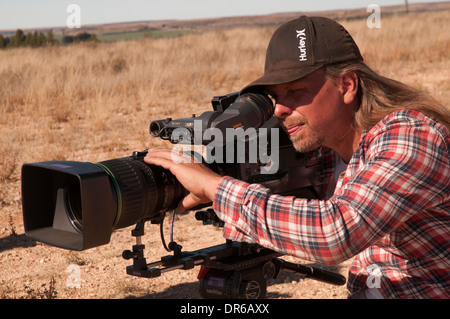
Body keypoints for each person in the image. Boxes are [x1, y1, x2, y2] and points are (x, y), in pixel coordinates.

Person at [145, 16, 449, 299]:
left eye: (296, 91)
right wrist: (208, 179)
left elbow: (335, 233)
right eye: (276, 97)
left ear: (347, 85)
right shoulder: (330, 148)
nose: (279, 109)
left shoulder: (411, 136)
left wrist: (216, 187)